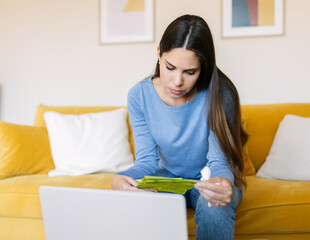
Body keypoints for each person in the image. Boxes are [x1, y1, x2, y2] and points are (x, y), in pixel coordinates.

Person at [111, 14, 248, 240]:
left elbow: (219, 163)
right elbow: (146, 161)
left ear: (202, 67)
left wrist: (222, 184)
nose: (177, 82)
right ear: (159, 54)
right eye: (170, 67)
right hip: (167, 182)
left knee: (214, 206)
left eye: (190, 72)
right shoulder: (139, 95)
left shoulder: (221, 94)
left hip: (209, 182)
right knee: (133, 204)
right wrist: (120, 177)